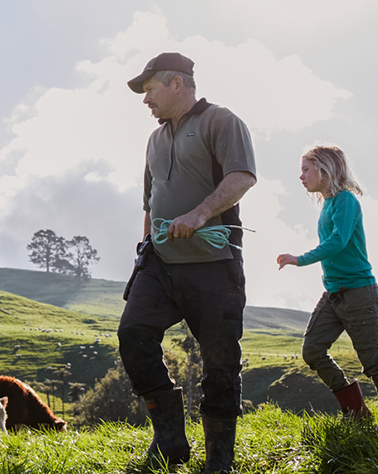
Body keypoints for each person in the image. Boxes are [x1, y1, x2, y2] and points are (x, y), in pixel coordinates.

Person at [118, 52, 256, 473]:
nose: (145, 100)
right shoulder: (154, 140)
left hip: (214, 262)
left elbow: (242, 177)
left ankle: (219, 458)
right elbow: (150, 200)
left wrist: (199, 215)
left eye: (150, 89)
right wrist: (144, 250)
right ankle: (171, 439)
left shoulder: (221, 121)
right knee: (133, 334)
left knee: (219, 361)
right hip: (160, 263)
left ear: (177, 83)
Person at [276, 145, 378, 427]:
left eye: (306, 169)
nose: (301, 176)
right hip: (333, 295)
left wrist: (300, 259)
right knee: (312, 351)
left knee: (372, 362)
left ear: (325, 170)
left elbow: (338, 241)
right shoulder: (328, 204)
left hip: (359, 293)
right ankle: (357, 412)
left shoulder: (347, 200)